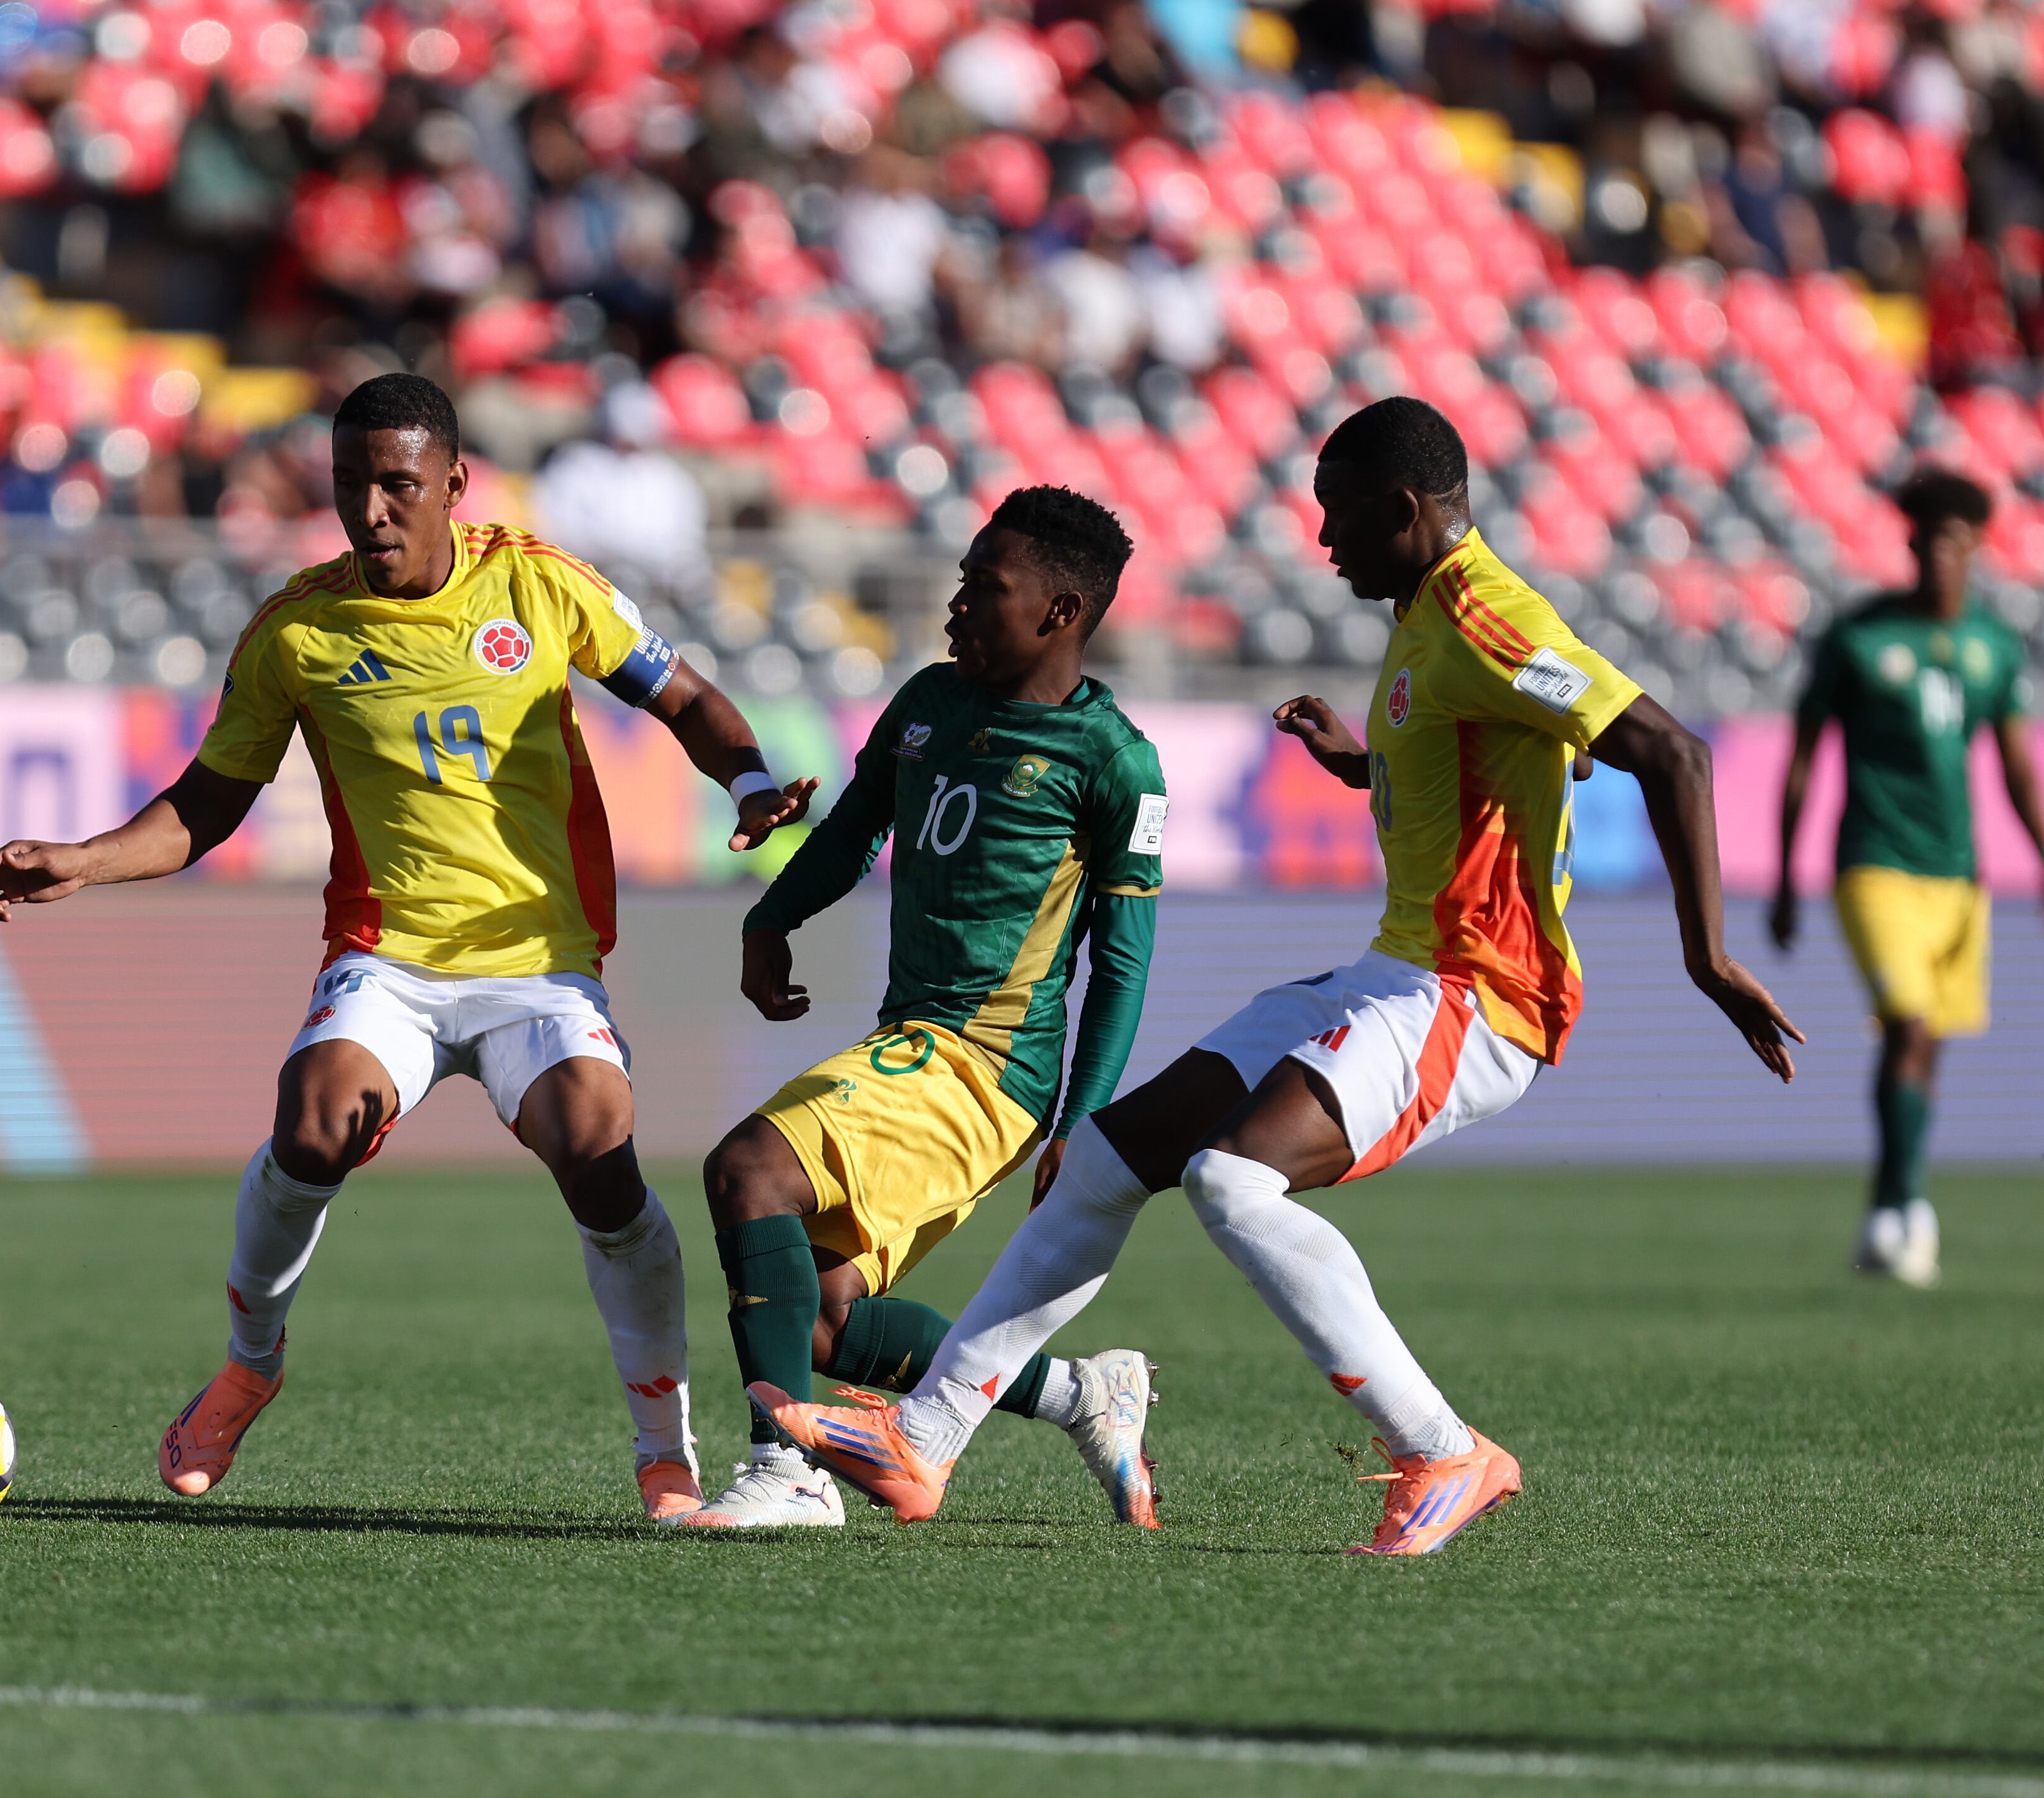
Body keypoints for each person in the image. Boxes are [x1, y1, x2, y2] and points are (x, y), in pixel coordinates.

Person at [752, 397, 1803, 1554]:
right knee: (1103, 1159)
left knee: (1232, 1182)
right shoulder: (1426, 614)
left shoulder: (1491, 614)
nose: (1321, 539)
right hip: (1397, 972)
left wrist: (1704, 954)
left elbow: (1668, 749)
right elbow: (1483, 760)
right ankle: (926, 1437)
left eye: (1337, 513)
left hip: (1479, 995)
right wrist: (1366, 765)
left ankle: (1439, 1447)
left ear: (1404, 511)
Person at [0, 373, 813, 1520]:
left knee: (598, 1144)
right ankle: (248, 1364)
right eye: (350, 484)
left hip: (539, 960)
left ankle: (665, 1450)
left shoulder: (539, 583)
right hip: (388, 959)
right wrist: (84, 857)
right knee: (315, 1118)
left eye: (397, 486)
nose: (370, 510)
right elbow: (208, 804)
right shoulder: (296, 630)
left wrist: (751, 780)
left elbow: (685, 695)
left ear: (454, 485)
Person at [683, 486, 1167, 1530]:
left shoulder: (1114, 760)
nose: (956, 606)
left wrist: (1082, 1126)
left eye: (984, 588)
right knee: (816, 1319)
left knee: (749, 1170)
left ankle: (789, 1471)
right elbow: (859, 825)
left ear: (1061, 611)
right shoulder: (927, 703)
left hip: (988, 1068)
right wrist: (772, 916)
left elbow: (1122, 964)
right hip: (913, 1043)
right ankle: (1085, 1394)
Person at [1771, 469, 2044, 1288]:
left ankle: (1894, 1203)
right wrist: (1790, 873)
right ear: (1909, 545)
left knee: (1928, 1044)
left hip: (1958, 876)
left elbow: (2014, 763)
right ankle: (1901, 1207)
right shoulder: (1860, 639)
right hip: (1873, 862)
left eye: (1954, 539)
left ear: (1974, 548)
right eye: (1926, 536)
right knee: (1905, 1023)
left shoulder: (1993, 647)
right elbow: (1801, 757)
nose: (1939, 552)